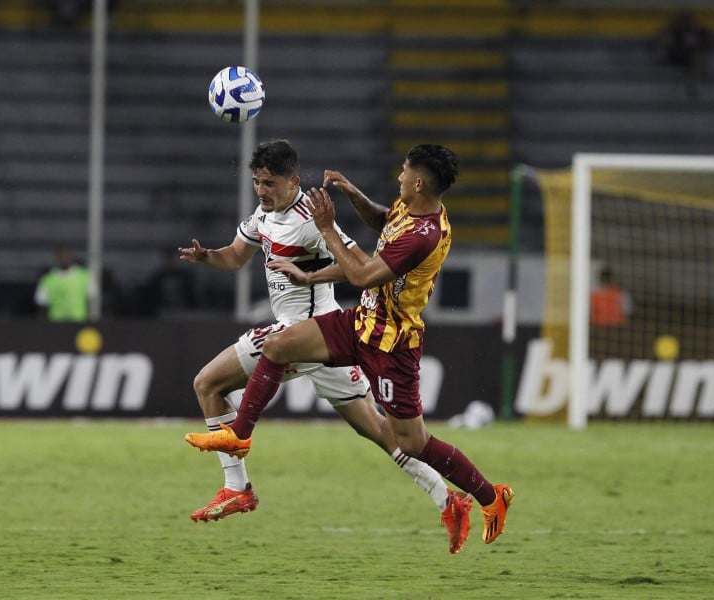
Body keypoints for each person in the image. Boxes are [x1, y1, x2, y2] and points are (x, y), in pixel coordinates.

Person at [185, 143, 514, 546]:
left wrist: (322, 240)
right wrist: (352, 194)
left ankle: (237, 484)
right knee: (377, 428)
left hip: (383, 341)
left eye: (268, 182)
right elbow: (381, 220)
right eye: (256, 182)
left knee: (209, 383)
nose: (260, 189)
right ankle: (446, 499)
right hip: (357, 324)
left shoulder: (412, 234)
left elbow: (359, 270)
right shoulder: (408, 209)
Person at [34, 245, 97, 322]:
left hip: (79, 322)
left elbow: (90, 301)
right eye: (61, 256)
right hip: (55, 323)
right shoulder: (47, 279)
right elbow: (42, 304)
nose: (64, 259)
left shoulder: (85, 276)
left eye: (66, 255)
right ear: (56, 258)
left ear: (71, 256)